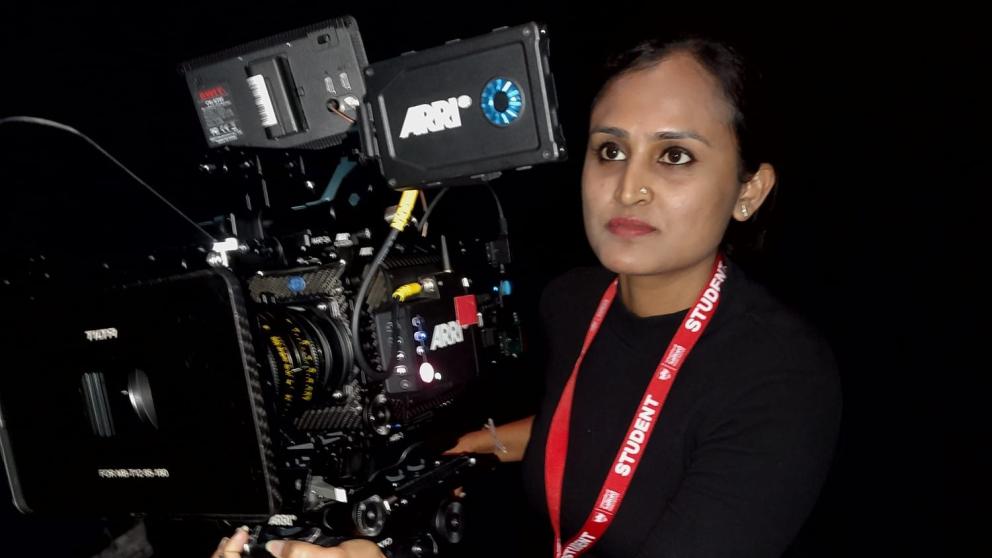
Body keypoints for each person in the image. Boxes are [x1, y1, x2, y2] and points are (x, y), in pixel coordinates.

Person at [215, 35, 842, 558]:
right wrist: (465, 449)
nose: (629, 187)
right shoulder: (573, 300)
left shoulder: (780, 378)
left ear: (749, 190)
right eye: (611, 150)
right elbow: (593, 418)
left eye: (674, 155)